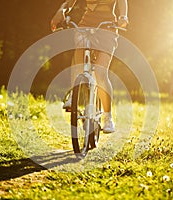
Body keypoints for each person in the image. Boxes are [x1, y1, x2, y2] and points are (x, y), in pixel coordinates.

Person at [50, 0, 128, 133]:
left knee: (100, 73)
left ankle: (107, 117)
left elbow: (122, 1)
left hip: (107, 26)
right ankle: (74, 94)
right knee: (79, 57)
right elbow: (69, 3)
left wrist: (123, 16)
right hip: (86, 24)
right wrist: (61, 11)